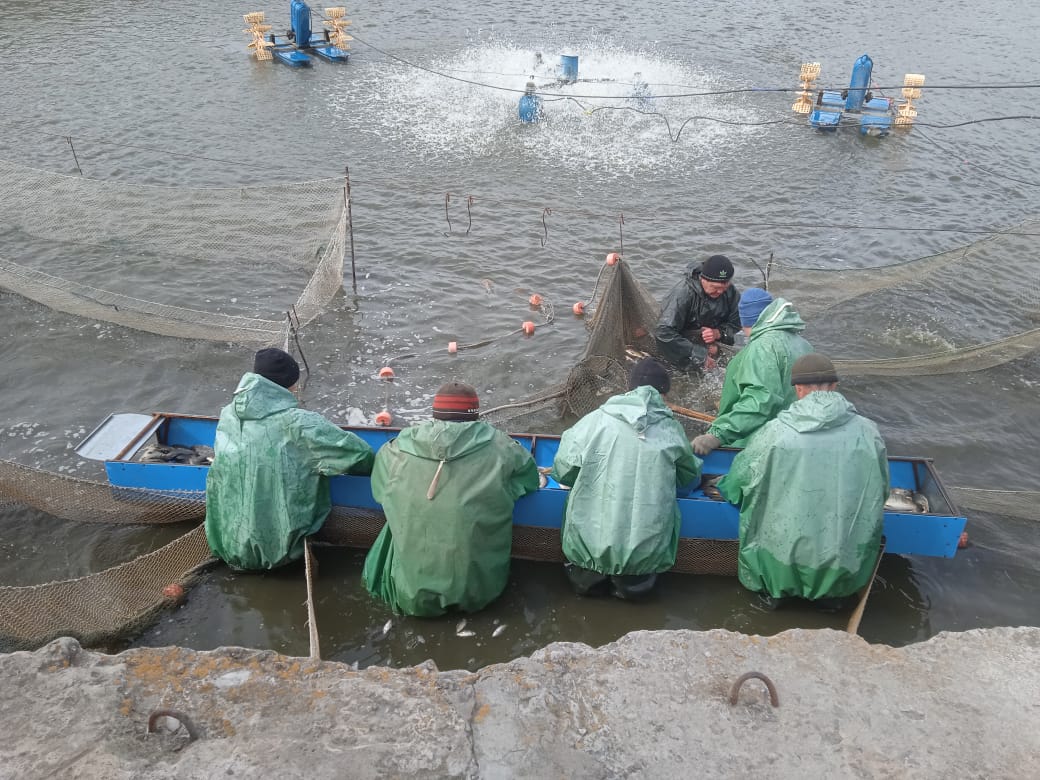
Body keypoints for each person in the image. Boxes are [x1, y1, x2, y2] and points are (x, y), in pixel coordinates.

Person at [717, 354, 889, 609]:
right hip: (842, 572)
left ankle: (776, 599)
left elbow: (738, 483)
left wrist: (725, 485)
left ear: (798, 390)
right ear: (834, 386)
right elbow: (882, 491)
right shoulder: (869, 432)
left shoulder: (774, 432)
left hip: (779, 571)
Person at [362, 382, 539, 616]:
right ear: (475, 414)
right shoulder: (503, 447)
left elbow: (379, 491)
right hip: (480, 594)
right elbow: (529, 481)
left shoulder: (394, 450)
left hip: (409, 595)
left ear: (434, 413)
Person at [205, 348, 375, 571]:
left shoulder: (229, 413)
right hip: (280, 555)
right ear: (289, 385)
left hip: (226, 547)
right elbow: (361, 456)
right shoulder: (299, 423)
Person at [550, 359, 703, 598]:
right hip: (643, 557)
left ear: (628, 389)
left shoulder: (595, 420)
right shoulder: (671, 430)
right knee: (637, 603)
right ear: (662, 395)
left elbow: (563, 470)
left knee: (586, 605)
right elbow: (687, 478)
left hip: (587, 549)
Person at [691, 288, 813, 456]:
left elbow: (761, 401)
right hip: (802, 436)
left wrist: (717, 435)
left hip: (766, 443)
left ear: (744, 322)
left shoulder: (762, 347)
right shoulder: (802, 343)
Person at [654, 254, 741, 370]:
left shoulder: (731, 293)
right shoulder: (683, 293)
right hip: (684, 346)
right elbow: (663, 332)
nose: (720, 292)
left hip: (713, 345)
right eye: (715, 287)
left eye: (724, 288)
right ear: (703, 279)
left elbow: (736, 323)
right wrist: (699, 354)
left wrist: (718, 333)